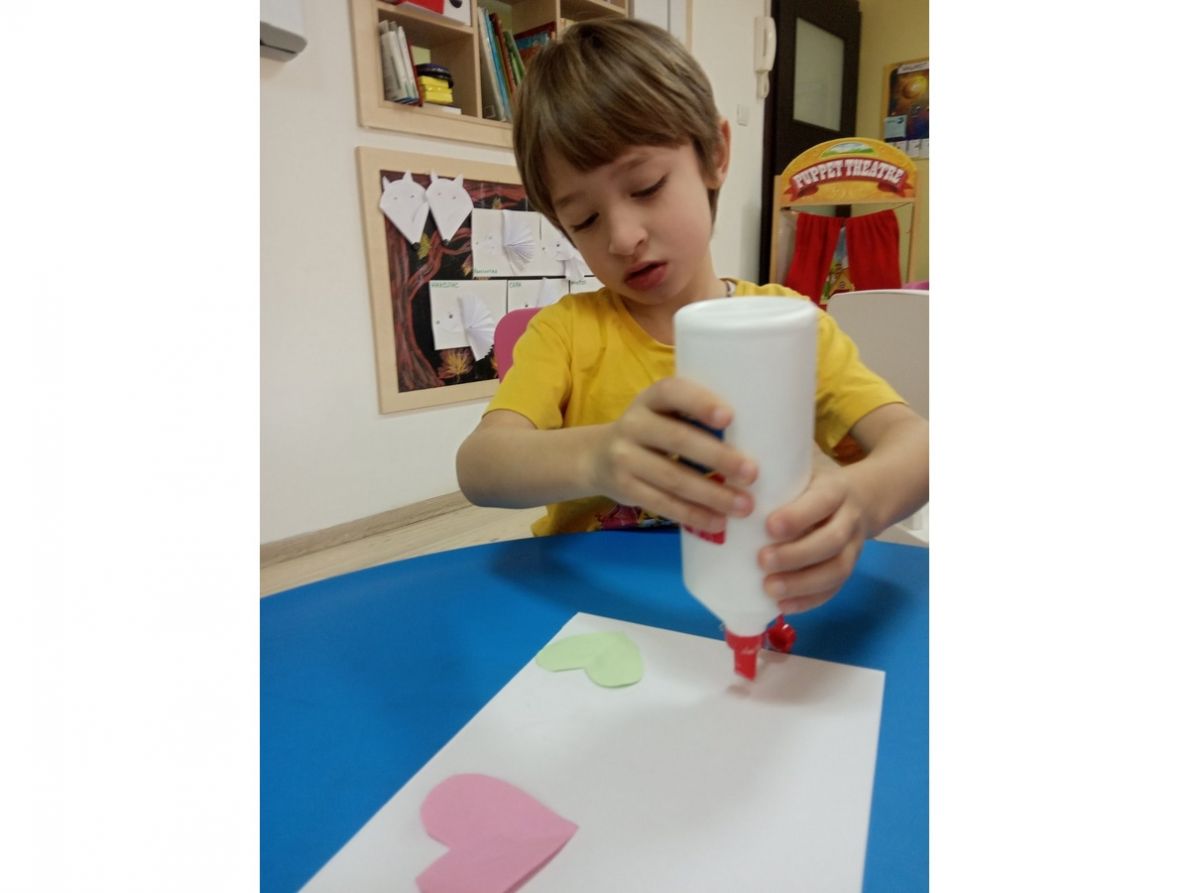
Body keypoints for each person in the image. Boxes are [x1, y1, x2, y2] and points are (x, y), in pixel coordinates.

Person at [456, 17, 928, 616]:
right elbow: (480, 466)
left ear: (716, 154)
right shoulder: (567, 334)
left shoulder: (789, 326)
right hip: (595, 614)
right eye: (585, 220)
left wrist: (859, 504)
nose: (623, 237)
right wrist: (598, 456)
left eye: (646, 186)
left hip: (751, 608)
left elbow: (920, 446)